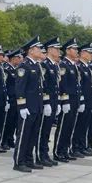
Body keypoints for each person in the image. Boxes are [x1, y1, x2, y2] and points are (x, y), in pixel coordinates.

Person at [13, 37, 44, 172]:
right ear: (31, 51)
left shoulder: (36, 65)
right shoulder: (24, 66)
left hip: (36, 106)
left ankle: (28, 159)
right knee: (24, 135)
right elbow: (20, 88)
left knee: (33, 134)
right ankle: (19, 162)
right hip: (27, 107)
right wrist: (22, 106)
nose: (41, 51)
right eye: (38, 49)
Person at [38, 38, 62, 166]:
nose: (59, 51)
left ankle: (45, 154)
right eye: (57, 49)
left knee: (47, 131)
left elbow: (56, 86)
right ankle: (40, 155)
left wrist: (57, 102)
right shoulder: (45, 64)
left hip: (53, 102)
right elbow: (45, 86)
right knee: (43, 130)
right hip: (46, 102)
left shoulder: (54, 65)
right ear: (50, 50)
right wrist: (46, 102)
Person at [55, 39, 80, 161]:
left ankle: (66, 150)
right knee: (63, 127)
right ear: (68, 50)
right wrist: (64, 101)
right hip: (68, 100)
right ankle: (58, 151)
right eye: (74, 49)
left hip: (74, 100)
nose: (76, 51)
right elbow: (62, 85)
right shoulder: (64, 65)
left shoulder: (73, 65)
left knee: (70, 127)